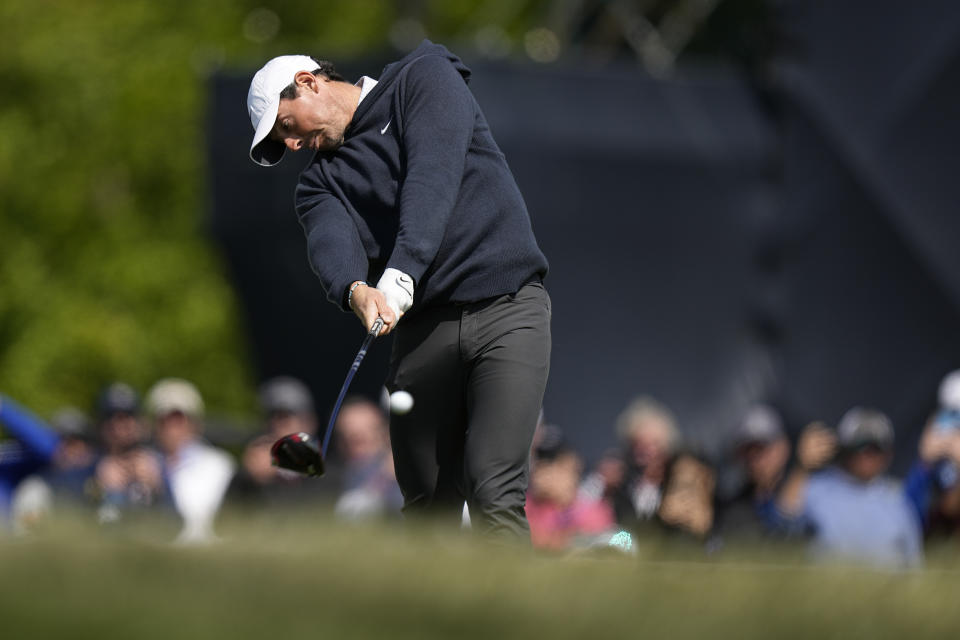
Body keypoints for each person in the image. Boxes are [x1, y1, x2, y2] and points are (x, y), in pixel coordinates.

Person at [246, 40, 551, 540]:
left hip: (508, 310)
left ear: (308, 82)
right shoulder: (320, 183)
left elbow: (433, 179)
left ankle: (521, 616)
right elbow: (331, 242)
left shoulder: (423, 78)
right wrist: (355, 291)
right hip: (425, 331)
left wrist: (404, 269)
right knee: (428, 503)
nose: (294, 145)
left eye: (286, 126)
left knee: (493, 485)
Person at [775, 408, 923, 568]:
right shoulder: (817, 488)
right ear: (845, 449)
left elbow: (914, 565)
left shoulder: (897, 499)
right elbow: (784, 524)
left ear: (888, 455)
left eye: (876, 448)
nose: (867, 456)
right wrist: (802, 468)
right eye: (860, 447)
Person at [145, 378, 236, 543]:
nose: (171, 427)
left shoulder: (220, 466)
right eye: (164, 419)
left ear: (195, 423)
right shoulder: (143, 462)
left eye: (179, 418)